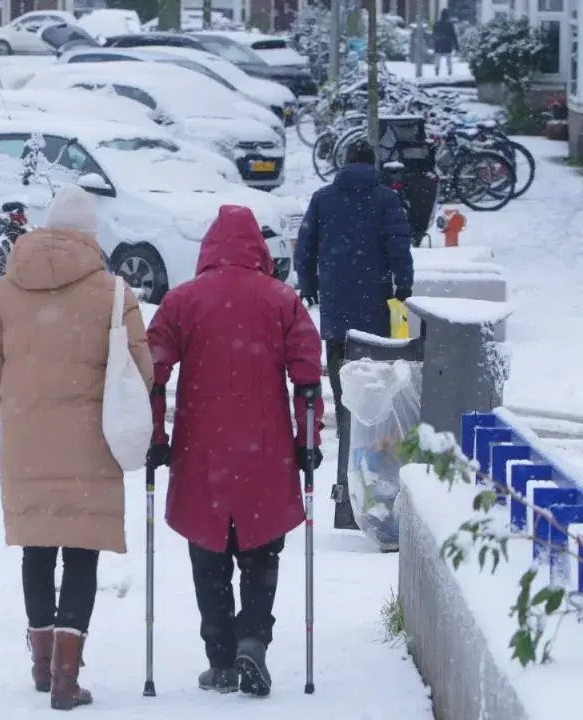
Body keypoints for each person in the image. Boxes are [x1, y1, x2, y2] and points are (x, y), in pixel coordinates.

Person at [0, 184, 153, 711]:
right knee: (80, 555)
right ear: (92, 239)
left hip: (26, 442)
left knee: (37, 549)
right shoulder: (115, 294)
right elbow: (141, 371)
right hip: (90, 444)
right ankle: (65, 679)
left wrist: (13, 406)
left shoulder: (6, 290)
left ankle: (40, 661)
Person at [146, 205, 324, 698]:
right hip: (264, 452)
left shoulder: (182, 301)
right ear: (259, 251)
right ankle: (253, 640)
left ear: (208, 247)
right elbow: (307, 377)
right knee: (262, 552)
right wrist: (308, 443)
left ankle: (221, 656)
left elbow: (151, 375)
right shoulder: (282, 300)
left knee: (208, 552)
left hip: (200, 450)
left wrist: (155, 438)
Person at [294, 139, 412, 527]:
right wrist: (402, 284)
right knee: (374, 376)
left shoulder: (324, 199)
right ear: (372, 164)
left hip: (337, 304)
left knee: (341, 372)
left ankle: (346, 424)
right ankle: (368, 434)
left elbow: (306, 246)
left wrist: (309, 281)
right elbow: (398, 243)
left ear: (345, 163)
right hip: (373, 305)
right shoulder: (385, 199)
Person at [432, 9, 459, 76]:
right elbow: (453, 36)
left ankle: (437, 70)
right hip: (447, 45)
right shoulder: (450, 25)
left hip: (438, 45)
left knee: (437, 59)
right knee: (449, 60)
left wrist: (433, 43)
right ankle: (449, 71)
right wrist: (456, 46)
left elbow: (433, 35)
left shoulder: (437, 24)